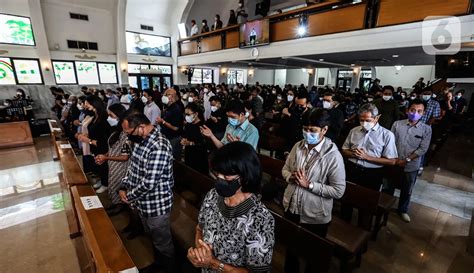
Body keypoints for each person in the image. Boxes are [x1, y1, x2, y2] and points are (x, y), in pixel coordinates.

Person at [188, 142, 274, 273]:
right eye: (217, 175)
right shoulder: (213, 195)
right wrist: (200, 253)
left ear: (245, 175)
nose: (220, 180)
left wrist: (212, 263)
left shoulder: (259, 219)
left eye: (226, 176)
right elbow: (200, 228)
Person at [282, 108, 346, 272]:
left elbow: (338, 190)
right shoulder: (298, 146)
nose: (307, 133)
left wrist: (309, 185)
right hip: (292, 207)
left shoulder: (333, 156)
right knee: (291, 252)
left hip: (315, 215)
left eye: (313, 130)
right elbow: (285, 169)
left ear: (324, 130)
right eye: (305, 129)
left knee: (313, 258)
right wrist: (291, 177)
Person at [120, 112, 175, 273]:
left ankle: (170, 269)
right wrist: (124, 186)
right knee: (153, 237)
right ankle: (159, 264)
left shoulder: (159, 146)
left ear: (141, 127)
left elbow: (149, 183)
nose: (128, 136)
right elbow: (133, 167)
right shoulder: (140, 140)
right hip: (142, 201)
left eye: (129, 132)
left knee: (163, 243)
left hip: (156, 204)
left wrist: (129, 196)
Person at [389, 99, 432, 223]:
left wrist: (407, 159)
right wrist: (394, 158)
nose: (415, 113)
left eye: (419, 111)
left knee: (407, 190)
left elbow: (423, 148)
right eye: (413, 110)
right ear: (408, 110)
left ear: (423, 113)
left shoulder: (426, 129)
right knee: (388, 186)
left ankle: (402, 210)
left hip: (411, 165)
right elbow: (390, 142)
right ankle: (384, 205)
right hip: (394, 162)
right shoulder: (397, 124)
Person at [342, 103, 398, 191]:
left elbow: (392, 161)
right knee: (347, 197)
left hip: (372, 173)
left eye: (368, 120)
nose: (364, 123)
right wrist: (354, 154)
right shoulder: (354, 131)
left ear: (377, 118)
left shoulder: (387, 135)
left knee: (367, 200)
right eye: (361, 120)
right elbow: (344, 150)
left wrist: (367, 157)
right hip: (352, 169)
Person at [95, 104, 131, 216]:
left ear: (119, 116)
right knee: (113, 184)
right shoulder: (117, 130)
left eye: (111, 115)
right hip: (113, 164)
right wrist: (104, 155)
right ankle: (116, 204)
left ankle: (120, 206)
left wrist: (106, 157)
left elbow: (125, 156)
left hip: (121, 166)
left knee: (118, 185)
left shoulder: (125, 133)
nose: (108, 118)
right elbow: (113, 148)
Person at [77, 95, 112, 193]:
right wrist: (86, 135)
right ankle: (102, 181)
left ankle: (106, 184)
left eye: (87, 103)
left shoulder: (103, 120)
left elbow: (103, 141)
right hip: (95, 147)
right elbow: (94, 131)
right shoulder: (95, 116)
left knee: (104, 166)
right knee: (99, 166)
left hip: (101, 148)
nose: (85, 105)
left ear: (95, 104)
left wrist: (87, 140)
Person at [181, 103, 208, 174]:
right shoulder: (188, 125)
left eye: (188, 114)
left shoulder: (203, 126)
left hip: (199, 157)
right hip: (189, 154)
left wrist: (190, 143)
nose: (186, 117)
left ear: (196, 114)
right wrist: (184, 140)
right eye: (185, 114)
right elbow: (185, 136)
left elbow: (204, 143)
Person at [157, 88, 184, 158]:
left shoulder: (176, 109)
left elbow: (175, 128)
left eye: (166, 95)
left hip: (174, 138)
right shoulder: (168, 107)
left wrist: (162, 122)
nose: (163, 97)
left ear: (171, 97)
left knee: (173, 158)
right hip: (167, 136)